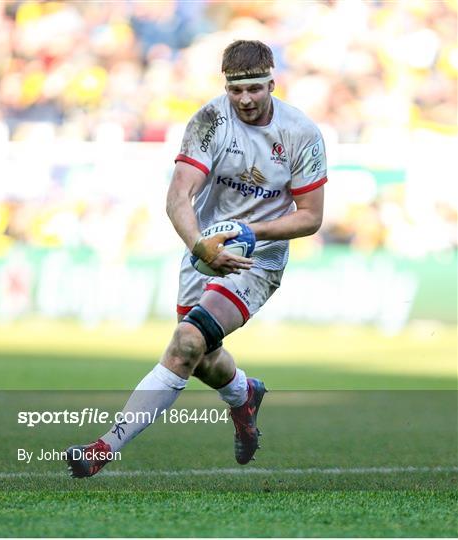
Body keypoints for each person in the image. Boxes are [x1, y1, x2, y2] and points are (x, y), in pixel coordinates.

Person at [66, 39, 327, 478]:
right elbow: (178, 195)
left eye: (255, 90)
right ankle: (243, 393)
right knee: (203, 357)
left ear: (272, 84)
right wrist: (199, 245)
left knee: (187, 341)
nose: (244, 100)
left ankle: (103, 448)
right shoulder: (210, 119)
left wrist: (247, 232)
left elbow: (311, 218)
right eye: (235, 90)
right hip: (203, 251)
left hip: (256, 259)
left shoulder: (301, 133)